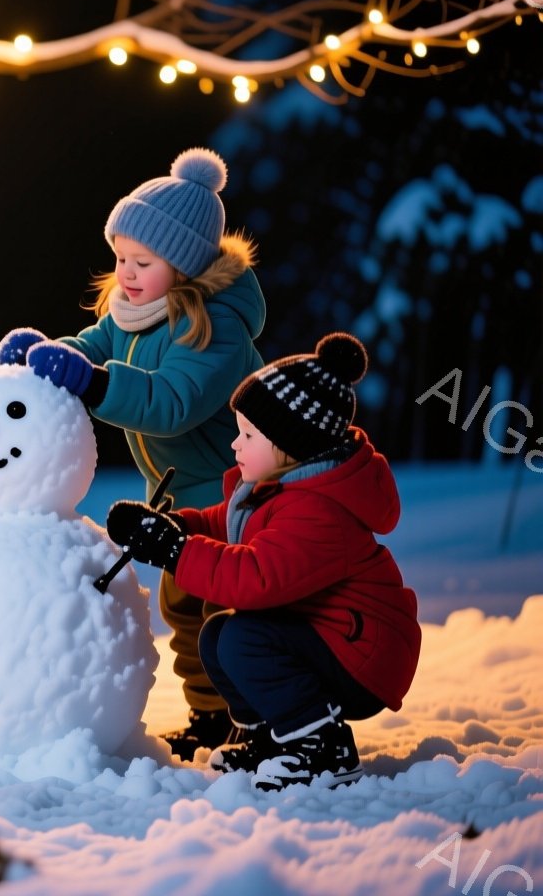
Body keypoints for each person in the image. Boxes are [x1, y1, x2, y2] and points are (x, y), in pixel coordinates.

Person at [0, 147, 267, 760]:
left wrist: (90, 381)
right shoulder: (131, 312)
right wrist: (44, 352)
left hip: (233, 497)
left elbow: (169, 401)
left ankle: (256, 718)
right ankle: (212, 718)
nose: (126, 272)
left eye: (143, 260)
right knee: (183, 607)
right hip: (178, 496)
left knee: (226, 608)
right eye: (120, 257)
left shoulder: (215, 328)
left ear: (188, 264)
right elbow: (90, 344)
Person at [107, 332, 420, 790]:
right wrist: (176, 526)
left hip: (363, 655)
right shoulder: (281, 490)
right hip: (327, 637)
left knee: (241, 637)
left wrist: (174, 550)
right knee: (218, 635)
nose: (235, 445)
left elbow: (256, 579)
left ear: (291, 445)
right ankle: (273, 739)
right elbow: (224, 526)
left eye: (248, 435)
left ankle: (324, 747)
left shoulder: (318, 512)